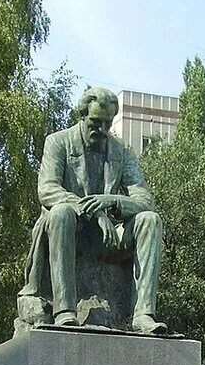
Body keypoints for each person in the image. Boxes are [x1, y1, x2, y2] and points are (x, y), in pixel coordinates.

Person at [19, 87, 165, 334]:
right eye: (96, 122)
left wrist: (111, 201)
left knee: (150, 220)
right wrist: (93, 211)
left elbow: (144, 199)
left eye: (108, 123)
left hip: (107, 239)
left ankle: (143, 315)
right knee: (61, 212)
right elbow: (47, 190)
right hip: (70, 232)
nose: (102, 130)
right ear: (82, 115)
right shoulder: (58, 142)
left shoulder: (122, 151)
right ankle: (64, 310)